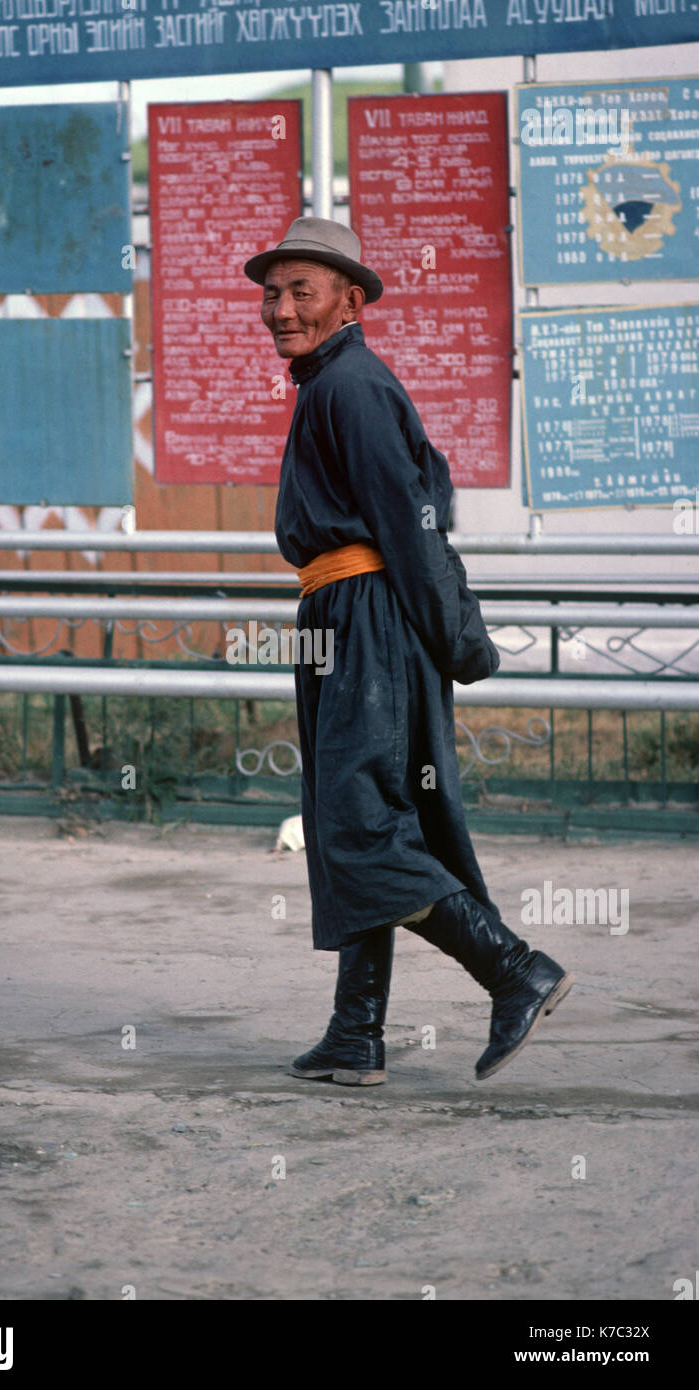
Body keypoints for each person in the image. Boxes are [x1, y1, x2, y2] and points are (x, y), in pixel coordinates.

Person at [243, 217, 574, 1086]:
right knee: (353, 819)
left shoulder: (349, 385)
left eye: (299, 291)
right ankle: (355, 1035)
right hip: (339, 617)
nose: (279, 309)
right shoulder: (328, 384)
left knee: (359, 823)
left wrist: (457, 639)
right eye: (271, 293)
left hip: (365, 621)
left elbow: (411, 526)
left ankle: (513, 969)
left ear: (349, 302)